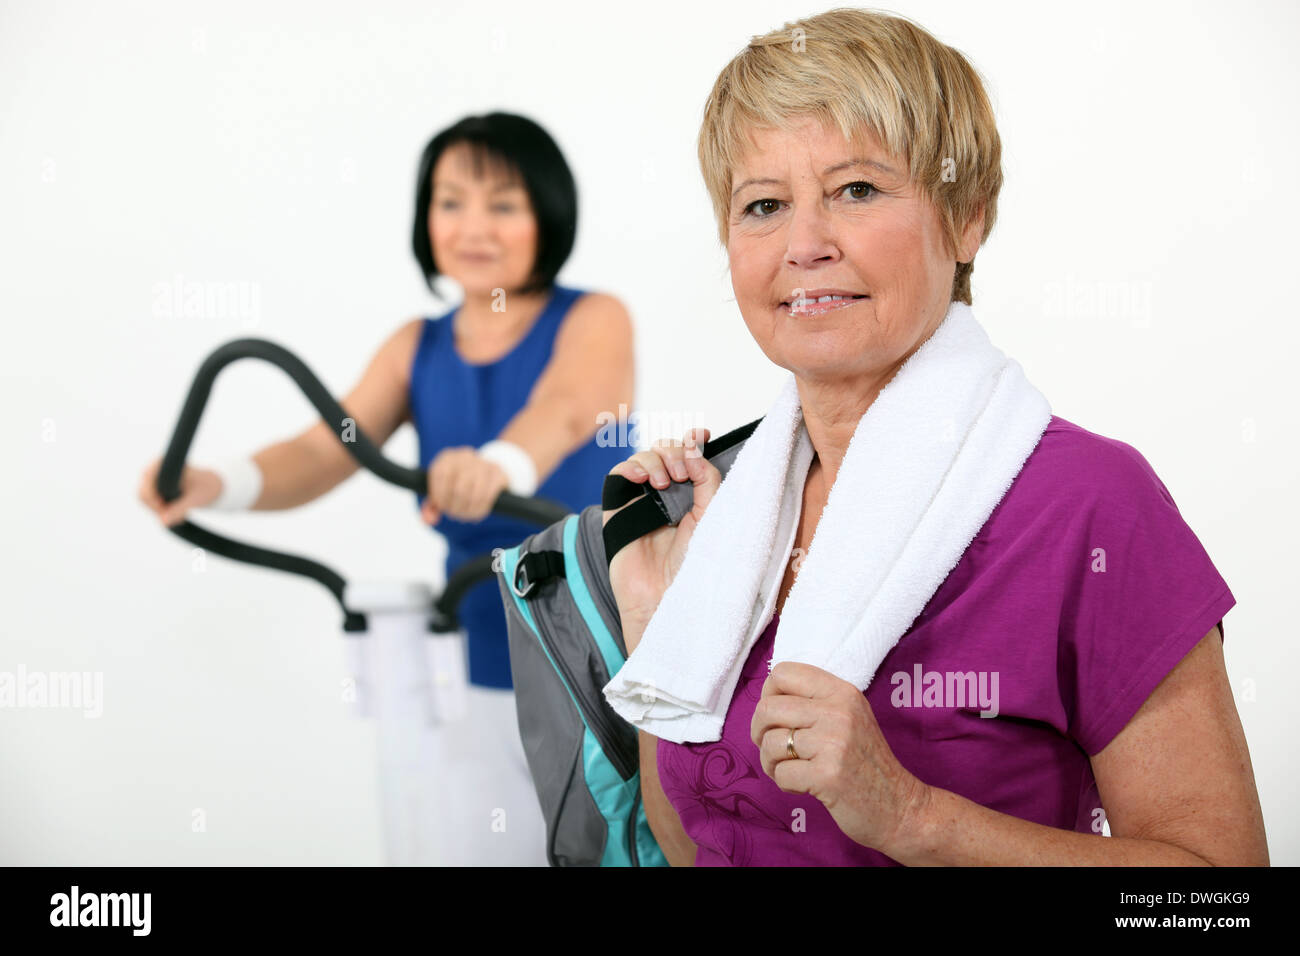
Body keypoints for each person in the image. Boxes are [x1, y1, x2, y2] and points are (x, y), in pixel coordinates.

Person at [603, 8, 1268, 866]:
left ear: (966, 220)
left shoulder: (1089, 506)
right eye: (763, 205)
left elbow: (1214, 899)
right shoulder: (731, 518)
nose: (806, 244)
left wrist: (916, 817)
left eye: (857, 190)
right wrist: (659, 621)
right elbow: (694, 841)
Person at [140, 112, 636, 865]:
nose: (474, 225)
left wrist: (496, 467)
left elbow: (569, 406)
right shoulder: (417, 345)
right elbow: (328, 448)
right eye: (450, 201)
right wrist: (220, 485)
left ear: (548, 214)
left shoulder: (595, 318)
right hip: (469, 651)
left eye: (502, 204)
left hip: (599, 657)